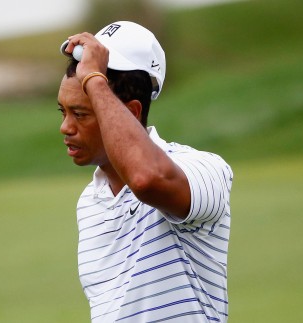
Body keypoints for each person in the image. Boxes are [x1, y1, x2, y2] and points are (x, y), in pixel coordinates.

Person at [57, 21, 233, 322]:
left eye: (81, 113)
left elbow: (146, 179)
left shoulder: (205, 168)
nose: (65, 127)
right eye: (63, 111)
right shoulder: (89, 201)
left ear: (132, 112)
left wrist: (96, 82)